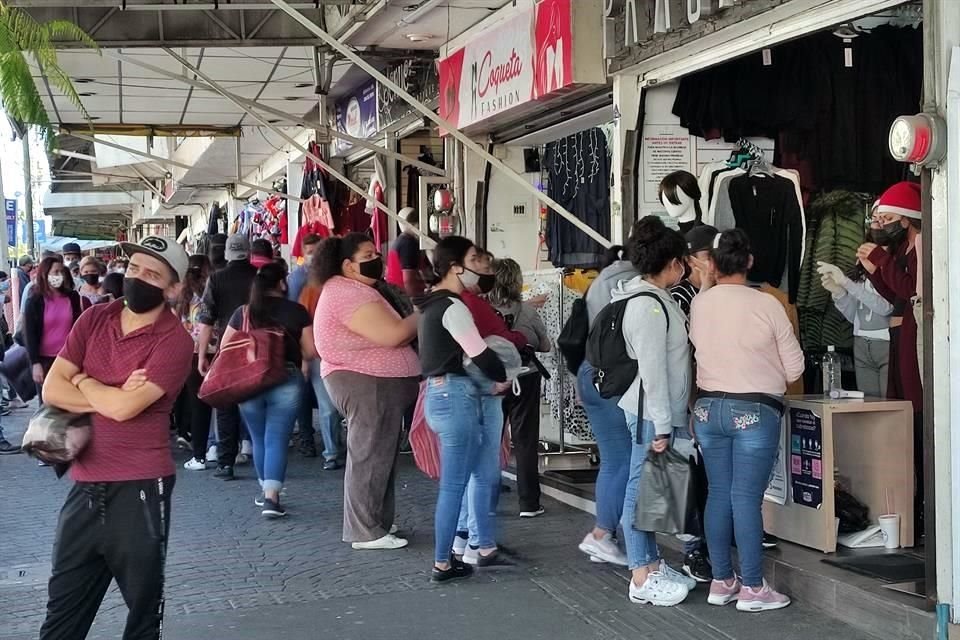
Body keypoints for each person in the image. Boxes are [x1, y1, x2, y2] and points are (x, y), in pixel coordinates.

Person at [38, 236, 193, 640]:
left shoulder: (175, 341)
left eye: (152, 274)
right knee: (61, 616)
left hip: (142, 489)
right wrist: (108, 390)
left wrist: (85, 381)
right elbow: (52, 390)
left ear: (173, 289)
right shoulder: (94, 319)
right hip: (85, 487)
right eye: (135, 268)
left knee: (143, 616)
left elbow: (127, 410)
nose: (138, 278)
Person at [690, 228, 804, 613]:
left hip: (707, 410)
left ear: (713, 263)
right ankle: (754, 588)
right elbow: (794, 368)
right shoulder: (767, 304)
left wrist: (706, 282)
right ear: (750, 261)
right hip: (754, 410)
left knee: (719, 494)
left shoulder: (700, 304)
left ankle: (722, 581)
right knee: (746, 499)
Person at [313, 233, 420, 550]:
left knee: (380, 455)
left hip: (377, 382)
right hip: (366, 382)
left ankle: (376, 521)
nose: (377, 258)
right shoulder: (347, 294)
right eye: (368, 254)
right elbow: (393, 334)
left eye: (376, 252)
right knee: (370, 455)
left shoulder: (359, 289)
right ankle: (365, 530)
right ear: (347, 265)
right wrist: (425, 311)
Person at [614, 216, 696, 607]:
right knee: (640, 489)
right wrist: (664, 425)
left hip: (656, 410)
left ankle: (650, 562)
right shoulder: (647, 307)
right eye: (683, 260)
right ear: (672, 262)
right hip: (650, 411)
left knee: (649, 491)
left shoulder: (653, 298)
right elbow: (653, 372)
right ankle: (640, 574)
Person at [418, 235, 508, 583]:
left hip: (435, 397)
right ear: (456, 267)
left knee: (455, 482)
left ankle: (457, 553)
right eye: (473, 258)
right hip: (455, 398)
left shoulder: (430, 305)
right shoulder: (454, 307)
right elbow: (480, 354)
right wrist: (501, 377)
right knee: (454, 485)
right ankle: (443, 561)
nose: (479, 265)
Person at [857, 181, 923, 535]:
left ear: (909, 218)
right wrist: (873, 268)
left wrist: (881, 260)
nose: (881, 224)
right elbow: (891, 293)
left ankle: (925, 503)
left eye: (888, 217)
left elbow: (911, 289)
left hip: (913, 334)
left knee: (916, 406)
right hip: (898, 332)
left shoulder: (919, 246)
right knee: (903, 406)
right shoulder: (900, 249)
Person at [224, 263, 313, 518]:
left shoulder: (244, 312)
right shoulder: (297, 311)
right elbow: (311, 351)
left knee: (258, 436)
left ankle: (266, 492)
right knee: (277, 437)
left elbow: (226, 346)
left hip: (249, 381)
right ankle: (272, 498)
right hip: (287, 377)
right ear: (282, 284)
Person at [576, 240, 639, 567]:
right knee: (625, 461)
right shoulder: (635, 283)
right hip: (613, 379)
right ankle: (603, 534)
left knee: (613, 461)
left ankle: (604, 533)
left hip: (589, 375)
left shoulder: (598, 282)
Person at [669, 224, 718, 584]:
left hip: (712, 397)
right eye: (706, 256)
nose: (713, 263)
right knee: (689, 476)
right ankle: (693, 550)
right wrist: (689, 403)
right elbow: (687, 352)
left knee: (708, 476)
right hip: (690, 399)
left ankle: (708, 543)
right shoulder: (682, 296)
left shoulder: (720, 292)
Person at [489, 257, 551, 519]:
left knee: (491, 439)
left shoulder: (482, 310)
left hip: (492, 379)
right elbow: (545, 345)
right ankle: (529, 502)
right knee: (525, 440)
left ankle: (487, 501)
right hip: (526, 377)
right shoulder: (527, 312)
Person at [197, 234, 257, 481]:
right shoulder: (259, 278)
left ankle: (225, 463)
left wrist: (202, 355)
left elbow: (206, 320)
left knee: (226, 406)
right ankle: (263, 457)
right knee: (259, 403)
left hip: (228, 348)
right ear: (249, 252)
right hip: (259, 348)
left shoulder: (216, 279)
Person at [819, 204, 893, 397]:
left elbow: (886, 307)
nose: (877, 224)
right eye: (874, 219)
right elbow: (855, 316)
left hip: (887, 341)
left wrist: (846, 283)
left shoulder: (893, 261)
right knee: (868, 407)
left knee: (890, 405)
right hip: (861, 341)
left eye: (883, 219)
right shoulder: (862, 257)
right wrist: (838, 293)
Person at [21, 256, 83, 401]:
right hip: (44, 360)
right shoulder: (35, 300)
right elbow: (29, 334)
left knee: (68, 403)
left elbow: (78, 327)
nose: (59, 276)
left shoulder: (72, 297)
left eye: (61, 272)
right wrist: (35, 363)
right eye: (55, 272)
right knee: (48, 404)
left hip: (67, 359)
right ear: (45, 274)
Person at [176, 255, 216, 471]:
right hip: (216, 352)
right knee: (223, 403)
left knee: (198, 406)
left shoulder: (184, 300)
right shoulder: (211, 295)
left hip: (191, 355)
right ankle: (217, 447)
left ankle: (199, 454)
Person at [386, 207, 430, 297]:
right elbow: (408, 280)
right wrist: (416, 302)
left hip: (395, 294)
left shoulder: (400, 241)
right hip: (404, 297)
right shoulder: (408, 243)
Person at [287, 233, 322, 304]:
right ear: (304, 253)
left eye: (317, 252)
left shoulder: (328, 273)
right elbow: (293, 304)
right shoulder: (296, 277)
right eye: (310, 252)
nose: (314, 256)